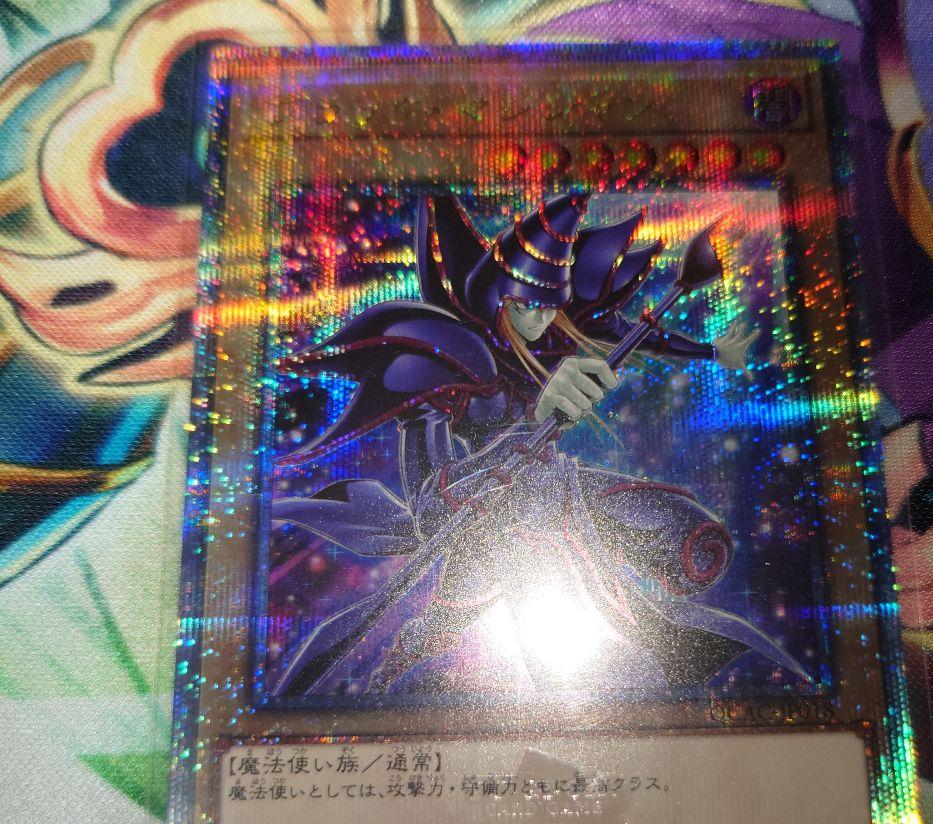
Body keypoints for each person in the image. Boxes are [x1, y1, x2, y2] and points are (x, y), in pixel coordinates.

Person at [272, 193, 803, 697]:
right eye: (528, 307)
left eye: (551, 308)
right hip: (477, 533)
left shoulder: (549, 337)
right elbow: (432, 506)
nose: (542, 321)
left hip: (549, 497)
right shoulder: (445, 362)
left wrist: (710, 352)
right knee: (445, 648)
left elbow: (632, 332)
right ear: (498, 297)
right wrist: (532, 425)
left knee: (677, 533)